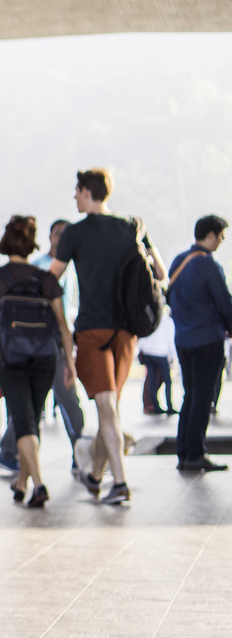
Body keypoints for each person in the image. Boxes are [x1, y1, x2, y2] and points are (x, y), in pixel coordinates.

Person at [49, 168, 166, 504]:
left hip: (92, 330)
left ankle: (120, 483)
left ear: (87, 191)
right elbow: (160, 272)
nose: (74, 196)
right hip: (127, 331)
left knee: (105, 406)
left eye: (76, 191)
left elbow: (51, 279)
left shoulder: (74, 233)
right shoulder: (133, 225)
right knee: (109, 407)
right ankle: (97, 475)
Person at [0, 215, 77, 508]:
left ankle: (38, 484)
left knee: (24, 422)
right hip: (45, 359)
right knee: (31, 420)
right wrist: (70, 363)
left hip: (10, 359)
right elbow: (63, 326)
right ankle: (22, 481)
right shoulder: (46, 279)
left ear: (5, 242)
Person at [0, 219, 88, 473]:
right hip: (38, 345)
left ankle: (12, 452)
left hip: (55, 342)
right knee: (39, 403)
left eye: (67, 234)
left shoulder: (72, 267)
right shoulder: (40, 269)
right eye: (58, 234)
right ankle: (12, 452)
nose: (62, 239)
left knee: (48, 403)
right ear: (49, 237)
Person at [168, 214, 232, 472]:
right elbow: (225, 304)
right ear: (211, 235)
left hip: (183, 339)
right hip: (207, 339)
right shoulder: (207, 265)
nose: (221, 241)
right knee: (203, 397)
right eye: (221, 236)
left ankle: (184, 454)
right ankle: (196, 454)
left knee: (190, 395)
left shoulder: (179, 261)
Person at [139, 312, 177, 415]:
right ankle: (169, 406)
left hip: (148, 352)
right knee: (168, 381)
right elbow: (171, 340)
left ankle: (155, 406)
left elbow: (143, 335)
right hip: (161, 353)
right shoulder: (168, 321)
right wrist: (172, 355)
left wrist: (141, 349)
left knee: (152, 380)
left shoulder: (149, 317)